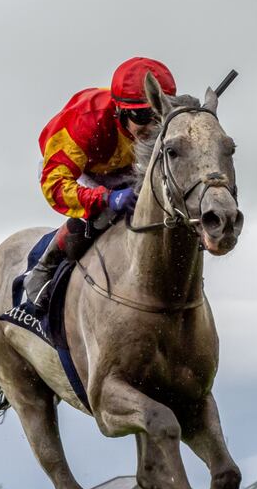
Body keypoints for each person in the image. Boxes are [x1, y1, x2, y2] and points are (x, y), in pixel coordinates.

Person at [23, 57, 178, 308]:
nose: (152, 126)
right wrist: (107, 198)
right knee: (102, 215)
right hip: (81, 168)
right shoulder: (86, 121)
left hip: (130, 164)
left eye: (158, 114)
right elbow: (55, 185)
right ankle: (44, 269)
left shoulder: (156, 125)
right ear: (120, 110)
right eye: (141, 115)